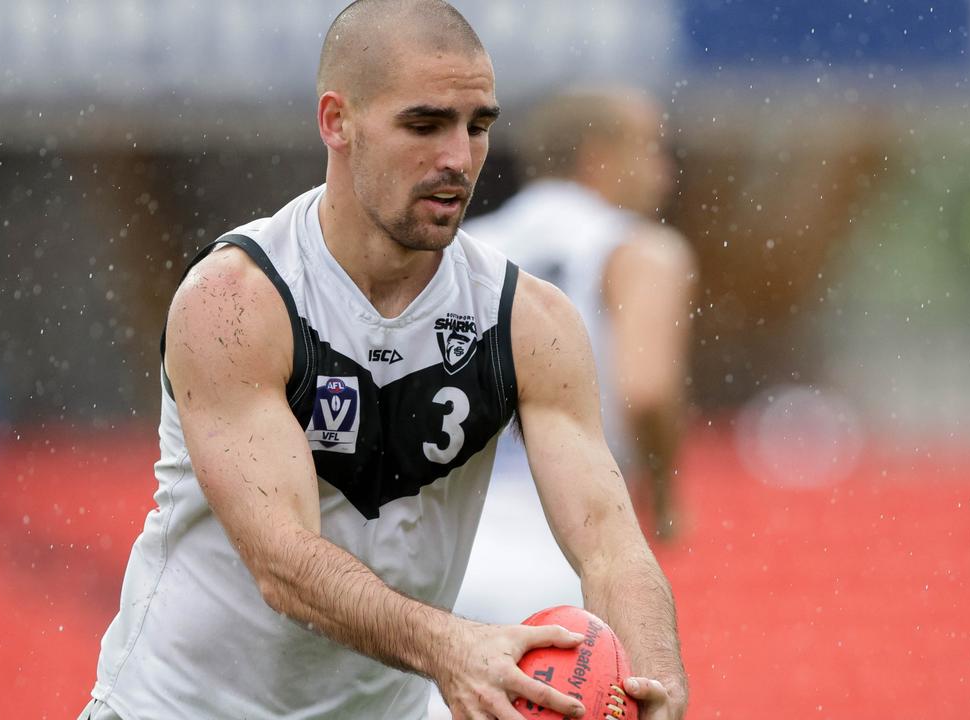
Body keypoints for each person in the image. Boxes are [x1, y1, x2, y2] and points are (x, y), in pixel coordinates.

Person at [81, 3, 687, 719]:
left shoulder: (529, 320)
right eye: (425, 125)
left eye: (478, 126)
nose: (458, 158)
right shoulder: (236, 299)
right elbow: (284, 564)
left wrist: (653, 676)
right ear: (336, 121)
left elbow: (611, 547)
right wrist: (450, 647)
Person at [466, 89, 697, 542]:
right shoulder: (640, 251)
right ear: (599, 158)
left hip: (456, 533)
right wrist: (665, 491)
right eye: (654, 150)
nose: (666, 174)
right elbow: (646, 391)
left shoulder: (461, 247)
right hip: (572, 530)